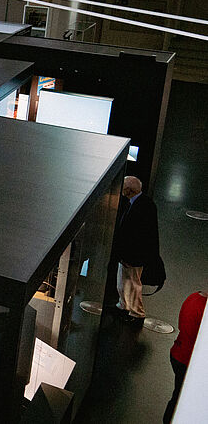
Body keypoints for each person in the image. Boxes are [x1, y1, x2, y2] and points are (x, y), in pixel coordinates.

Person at [115, 175, 160, 322]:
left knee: (133, 284)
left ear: (129, 190)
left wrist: (130, 255)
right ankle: (124, 305)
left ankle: (137, 313)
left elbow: (141, 236)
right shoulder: (135, 202)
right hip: (127, 253)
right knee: (123, 282)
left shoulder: (144, 206)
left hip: (134, 255)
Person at [166, 287, 207, 422]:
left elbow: (182, 325)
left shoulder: (193, 297)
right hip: (189, 362)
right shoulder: (204, 310)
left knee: (178, 396)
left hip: (178, 353)